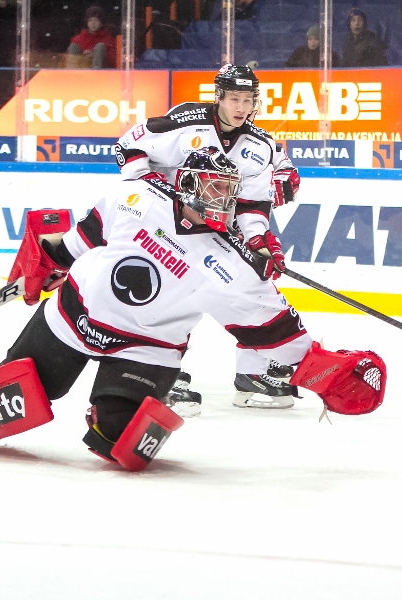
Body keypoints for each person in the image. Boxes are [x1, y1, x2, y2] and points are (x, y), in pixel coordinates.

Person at [0, 147, 386, 471]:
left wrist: (327, 371)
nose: (219, 201)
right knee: (20, 393)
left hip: (146, 348)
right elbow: (78, 241)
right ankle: (4, 372)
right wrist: (46, 263)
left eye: (227, 193)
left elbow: (275, 336)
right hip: (76, 314)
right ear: (185, 185)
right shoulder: (136, 197)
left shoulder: (234, 268)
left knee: (120, 443)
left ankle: (108, 410)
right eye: (210, 188)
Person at [113, 63, 301, 415]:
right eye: (234, 98)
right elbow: (128, 146)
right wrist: (152, 193)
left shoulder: (258, 146)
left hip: (213, 231)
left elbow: (251, 205)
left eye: (247, 99)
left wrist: (258, 240)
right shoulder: (186, 122)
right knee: (170, 301)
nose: (241, 107)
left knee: (252, 286)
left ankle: (253, 374)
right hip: (165, 226)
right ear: (219, 97)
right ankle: (162, 375)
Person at [66, 5, 116, 69]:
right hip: (81, 71)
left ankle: (96, 73)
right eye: (90, 20)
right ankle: (71, 74)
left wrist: (94, 54)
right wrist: (84, 57)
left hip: (101, 74)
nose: (93, 23)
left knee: (100, 47)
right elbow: (67, 58)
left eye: (96, 20)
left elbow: (113, 61)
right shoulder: (77, 39)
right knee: (73, 46)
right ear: (86, 22)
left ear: (101, 23)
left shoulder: (108, 39)